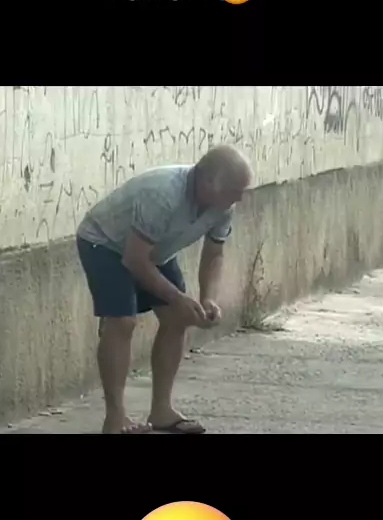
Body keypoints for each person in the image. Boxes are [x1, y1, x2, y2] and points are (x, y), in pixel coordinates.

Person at [76, 145, 252, 434]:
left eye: (243, 190)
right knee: (122, 322)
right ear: (207, 182)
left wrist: (208, 298)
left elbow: (214, 253)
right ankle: (115, 418)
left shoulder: (223, 205)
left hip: (155, 249)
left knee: (177, 318)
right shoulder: (163, 193)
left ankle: (161, 410)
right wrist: (177, 297)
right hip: (105, 242)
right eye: (234, 190)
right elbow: (134, 259)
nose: (239, 198)